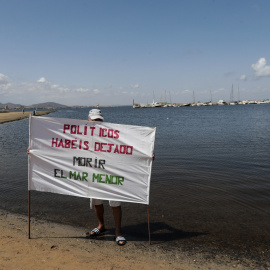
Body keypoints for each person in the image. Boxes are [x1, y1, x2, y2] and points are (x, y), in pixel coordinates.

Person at [87, 109, 127, 246]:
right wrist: (35, 151)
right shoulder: (82, 135)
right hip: (93, 172)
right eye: (94, 120)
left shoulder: (111, 134)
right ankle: (101, 225)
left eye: (99, 120)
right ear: (89, 120)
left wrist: (146, 156)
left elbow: (127, 147)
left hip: (110, 171)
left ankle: (118, 231)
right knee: (96, 200)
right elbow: (62, 147)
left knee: (115, 201)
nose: (97, 123)